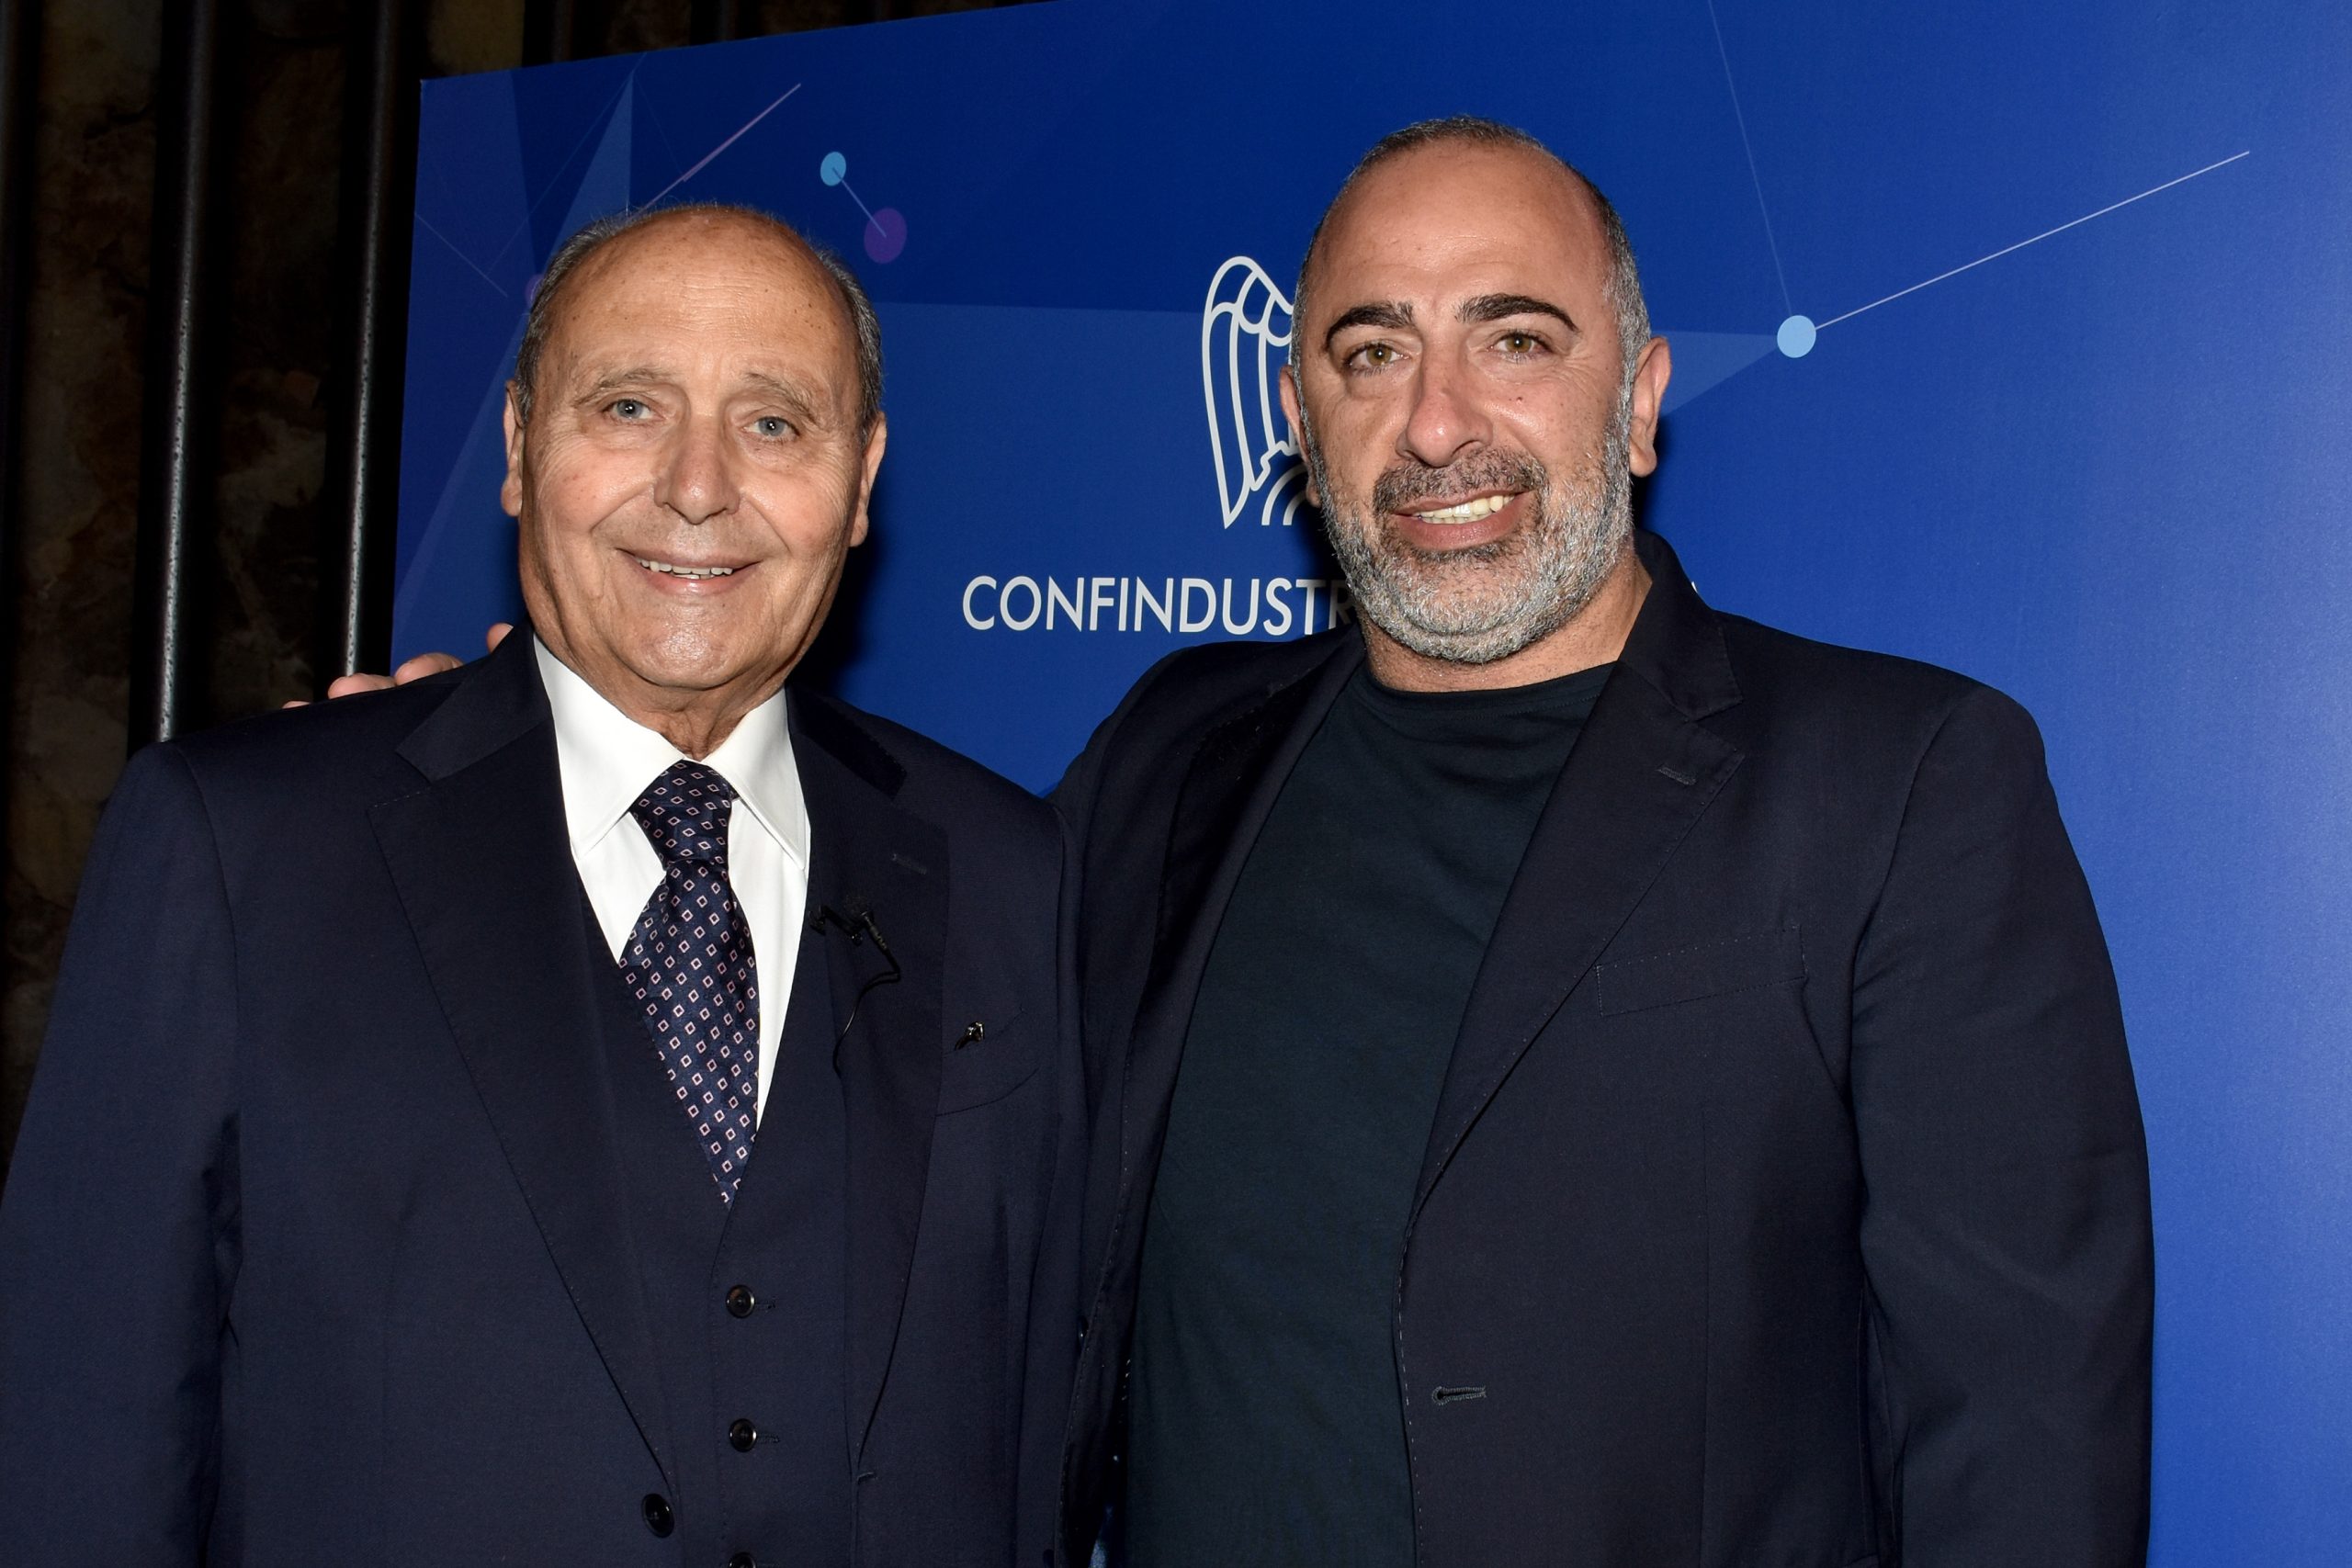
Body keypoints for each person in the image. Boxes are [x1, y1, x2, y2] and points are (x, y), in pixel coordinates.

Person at [1050, 118, 2153, 1566]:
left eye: (1514, 340)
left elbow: (2023, 1443)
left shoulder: (1899, 786)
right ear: (1299, 423)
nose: (1435, 424)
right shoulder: (1170, 748)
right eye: (1372, 353)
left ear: (1638, 402)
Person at [0, 204, 1080, 1567]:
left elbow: (1043, 1429)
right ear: (518, 447)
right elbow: (81, 1444)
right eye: (629, 407)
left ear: (859, 480)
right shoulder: (238, 847)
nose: (697, 486)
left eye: (772, 423)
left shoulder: (1000, 865)